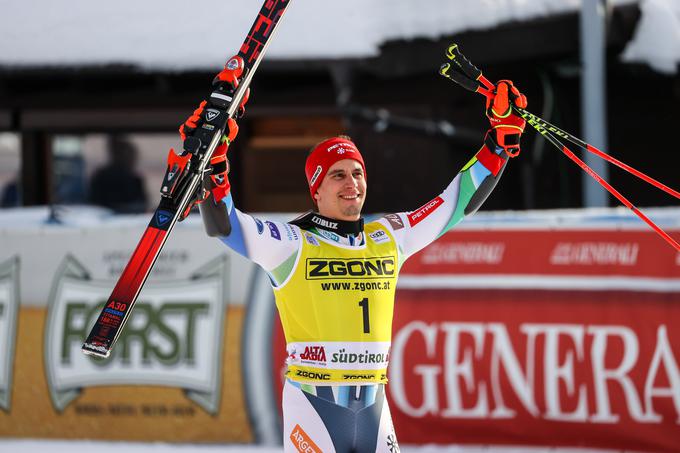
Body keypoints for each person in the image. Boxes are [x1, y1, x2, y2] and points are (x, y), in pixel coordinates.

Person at [184, 61, 527, 452]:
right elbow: (226, 226)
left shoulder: (389, 235)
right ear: (316, 190)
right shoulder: (292, 241)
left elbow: (456, 201)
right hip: (313, 406)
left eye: (357, 173)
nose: (352, 183)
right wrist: (214, 167)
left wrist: (499, 143)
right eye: (338, 175)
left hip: (374, 409)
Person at [89, 136, 148, 213]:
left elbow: (141, 204)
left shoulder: (135, 180)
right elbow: (94, 204)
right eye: (126, 156)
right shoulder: (102, 177)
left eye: (131, 156)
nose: (131, 160)